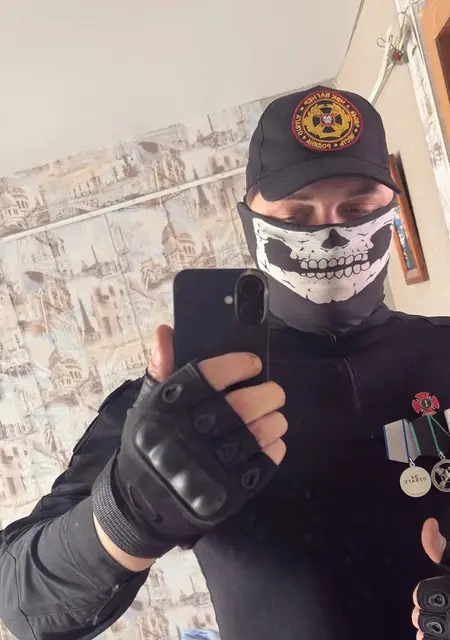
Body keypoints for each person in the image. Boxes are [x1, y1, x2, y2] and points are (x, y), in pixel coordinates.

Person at [1, 85, 449, 640]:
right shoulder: (183, 398)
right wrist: (130, 511)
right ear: (251, 226)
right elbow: (21, 605)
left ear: (391, 212)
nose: (330, 233)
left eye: (357, 210)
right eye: (297, 213)